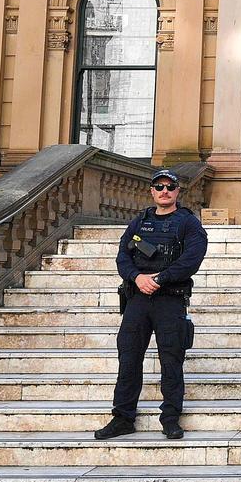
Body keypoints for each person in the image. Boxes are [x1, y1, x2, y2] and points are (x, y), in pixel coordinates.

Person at [94, 169, 207, 441]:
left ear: (178, 191)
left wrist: (160, 278)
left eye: (170, 187)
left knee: (171, 359)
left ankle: (170, 419)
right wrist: (137, 277)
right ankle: (122, 418)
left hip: (169, 299)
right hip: (138, 299)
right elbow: (123, 256)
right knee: (129, 358)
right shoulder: (139, 222)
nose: (164, 191)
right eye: (159, 187)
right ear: (152, 191)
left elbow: (192, 258)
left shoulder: (188, 223)